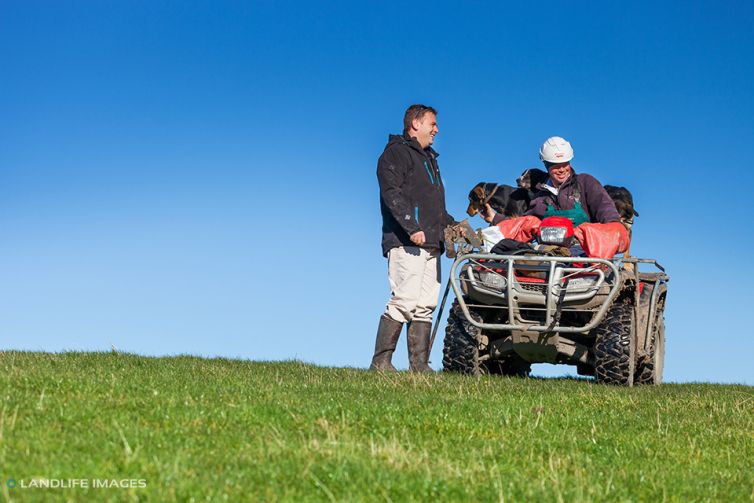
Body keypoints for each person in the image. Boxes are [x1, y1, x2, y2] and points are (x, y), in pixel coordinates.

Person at [370, 104, 457, 372]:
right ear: (415, 123)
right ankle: (381, 362)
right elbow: (392, 195)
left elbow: (436, 208)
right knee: (405, 300)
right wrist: (411, 226)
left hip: (432, 243)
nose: (436, 129)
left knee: (425, 304)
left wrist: (454, 226)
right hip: (407, 242)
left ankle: (419, 366)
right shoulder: (395, 155)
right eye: (432, 123)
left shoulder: (430, 159)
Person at [484, 136, 620, 226]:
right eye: (555, 165)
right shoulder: (540, 197)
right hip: (551, 255)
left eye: (564, 164)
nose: (561, 169)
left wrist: (614, 226)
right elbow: (526, 223)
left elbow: (605, 207)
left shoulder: (586, 183)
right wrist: (496, 218)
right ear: (546, 166)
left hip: (585, 253)